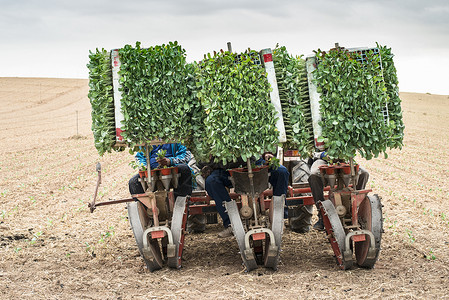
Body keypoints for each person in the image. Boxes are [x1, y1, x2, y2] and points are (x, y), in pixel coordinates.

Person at [205, 152, 290, 238]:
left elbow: (267, 144)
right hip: (228, 169)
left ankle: (279, 219)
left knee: (282, 172)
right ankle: (231, 224)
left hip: (256, 164)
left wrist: (267, 154)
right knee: (211, 181)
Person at [308, 151, 369, 231]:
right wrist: (322, 154)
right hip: (322, 160)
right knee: (314, 175)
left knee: (364, 173)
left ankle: (354, 210)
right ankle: (322, 215)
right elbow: (311, 151)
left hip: (344, 159)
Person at [128, 143, 192, 199]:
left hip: (172, 169)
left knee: (184, 169)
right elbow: (140, 157)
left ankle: (181, 202)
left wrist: (170, 161)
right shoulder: (147, 139)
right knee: (133, 182)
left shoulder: (175, 137)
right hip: (151, 172)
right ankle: (146, 207)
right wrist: (144, 166)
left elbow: (185, 155)